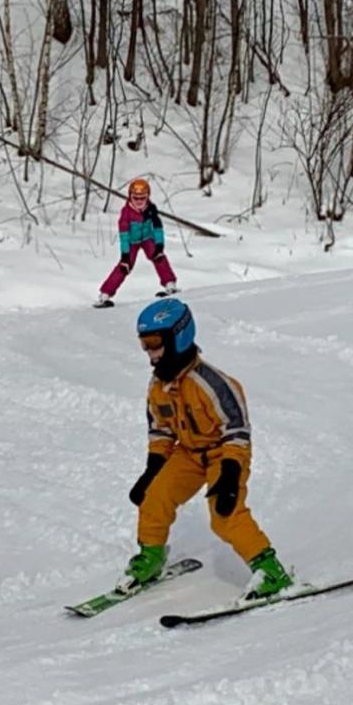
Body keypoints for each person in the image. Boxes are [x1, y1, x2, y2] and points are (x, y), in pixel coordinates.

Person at [117, 297, 294, 600]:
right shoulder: (158, 386)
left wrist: (229, 473)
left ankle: (270, 570)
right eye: (144, 344)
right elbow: (160, 429)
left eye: (155, 343)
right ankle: (151, 557)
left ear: (178, 336)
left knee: (224, 514)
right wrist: (153, 468)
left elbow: (237, 431)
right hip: (188, 454)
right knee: (154, 498)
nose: (150, 353)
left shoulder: (213, 383)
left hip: (223, 454)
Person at [94, 178, 178, 308]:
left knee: (159, 257)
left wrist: (159, 245)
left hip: (147, 239)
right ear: (130, 197)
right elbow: (124, 235)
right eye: (136, 198)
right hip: (132, 242)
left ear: (148, 197)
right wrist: (125, 254)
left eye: (142, 198)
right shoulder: (126, 212)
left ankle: (170, 284)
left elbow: (157, 227)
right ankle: (105, 294)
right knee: (124, 266)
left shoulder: (151, 209)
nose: (139, 201)